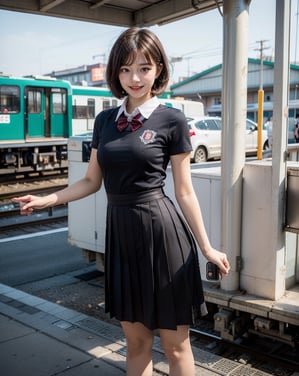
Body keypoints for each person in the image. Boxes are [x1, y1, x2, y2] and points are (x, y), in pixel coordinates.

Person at [12, 28, 230, 376]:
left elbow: (184, 191)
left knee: (176, 347)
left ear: (158, 69)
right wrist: (46, 199)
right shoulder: (105, 121)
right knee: (137, 343)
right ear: (116, 72)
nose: (134, 78)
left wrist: (207, 248)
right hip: (122, 239)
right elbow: (91, 181)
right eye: (126, 69)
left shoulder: (171, 119)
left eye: (144, 68)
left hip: (162, 236)